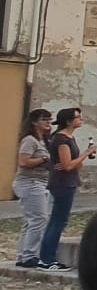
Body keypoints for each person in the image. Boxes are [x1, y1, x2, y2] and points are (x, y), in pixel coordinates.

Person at [35, 107, 97, 269]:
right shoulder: (62, 139)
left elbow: (75, 165)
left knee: (58, 221)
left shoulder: (68, 138)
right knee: (57, 221)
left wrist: (78, 160)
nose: (81, 120)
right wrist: (86, 153)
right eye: (78, 118)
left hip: (68, 181)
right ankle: (47, 259)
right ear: (69, 121)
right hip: (63, 183)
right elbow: (67, 165)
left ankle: (47, 257)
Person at [13, 109, 53, 268]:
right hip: (30, 183)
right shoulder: (30, 140)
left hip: (41, 182)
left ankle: (23, 254)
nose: (48, 123)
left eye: (50, 120)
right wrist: (43, 159)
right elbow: (23, 162)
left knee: (31, 221)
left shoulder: (44, 140)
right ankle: (30, 255)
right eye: (44, 120)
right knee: (39, 219)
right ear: (34, 122)